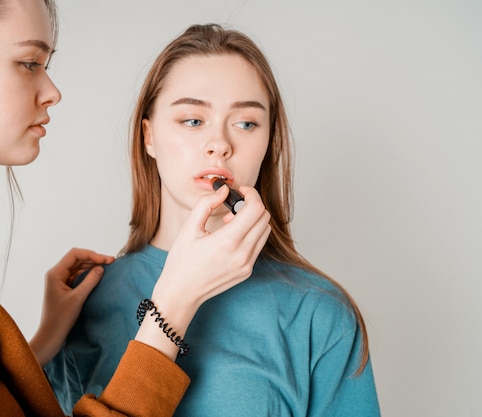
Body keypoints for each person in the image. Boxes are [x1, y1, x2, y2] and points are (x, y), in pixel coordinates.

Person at [0, 1, 272, 415]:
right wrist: (173, 304)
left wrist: (39, 347)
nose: (53, 92)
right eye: (28, 62)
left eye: (248, 123)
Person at [46, 23, 381, 416]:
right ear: (148, 137)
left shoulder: (319, 314)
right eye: (192, 120)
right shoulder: (86, 303)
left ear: (268, 143)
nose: (220, 144)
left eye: (246, 123)